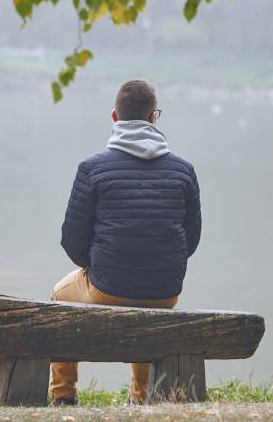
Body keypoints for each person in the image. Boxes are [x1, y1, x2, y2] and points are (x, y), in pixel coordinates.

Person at [48, 79, 202, 405]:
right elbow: (191, 241)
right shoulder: (183, 171)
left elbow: (71, 241)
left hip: (107, 286)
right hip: (166, 292)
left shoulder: (92, 169)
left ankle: (63, 395)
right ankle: (141, 395)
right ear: (154, 118)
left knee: (58, 297)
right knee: (142, 295)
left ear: (115, 117)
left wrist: (100, 261)